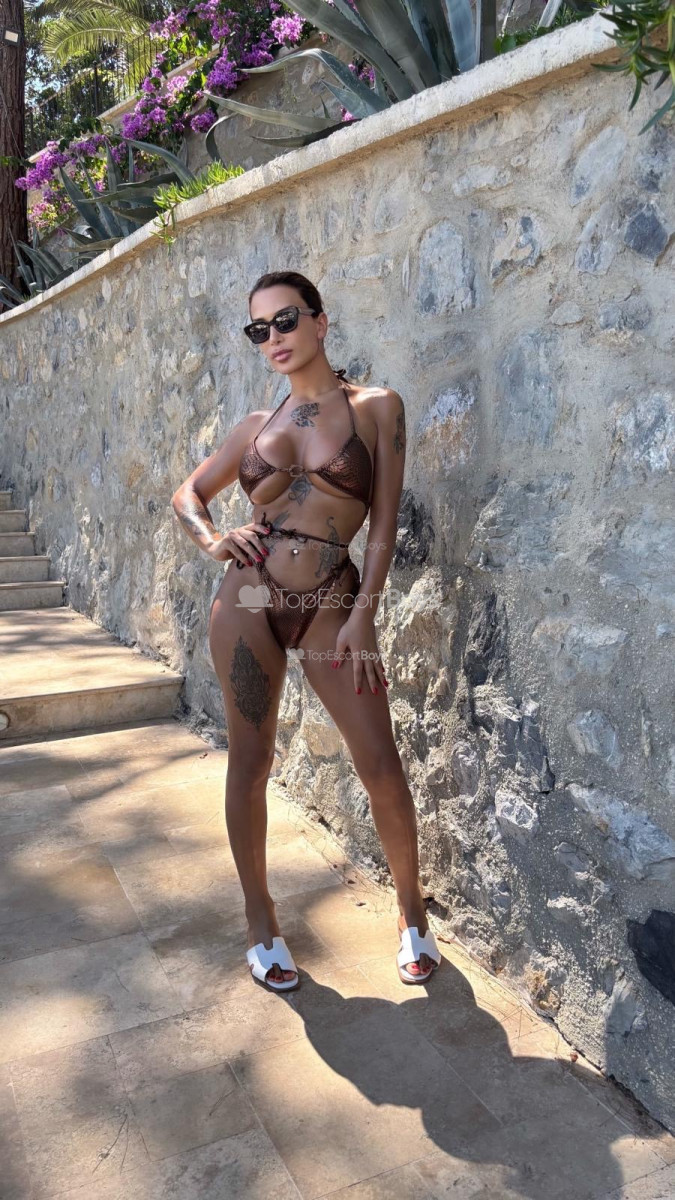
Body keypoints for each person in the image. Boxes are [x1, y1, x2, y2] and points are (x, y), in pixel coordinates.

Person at [171, 270, 441, 992]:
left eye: (286, 320)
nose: (274, 338)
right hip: (246, 599)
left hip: (331, 600)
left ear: (321, 321)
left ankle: (411, 913)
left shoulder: (376, 409)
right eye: (258, 330)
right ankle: (260, 922)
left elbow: (382, 521)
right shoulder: (253, 429)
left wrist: (364, 614)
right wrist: (213, 540)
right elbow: (188, 493)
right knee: (250, 761)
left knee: (379, 760)